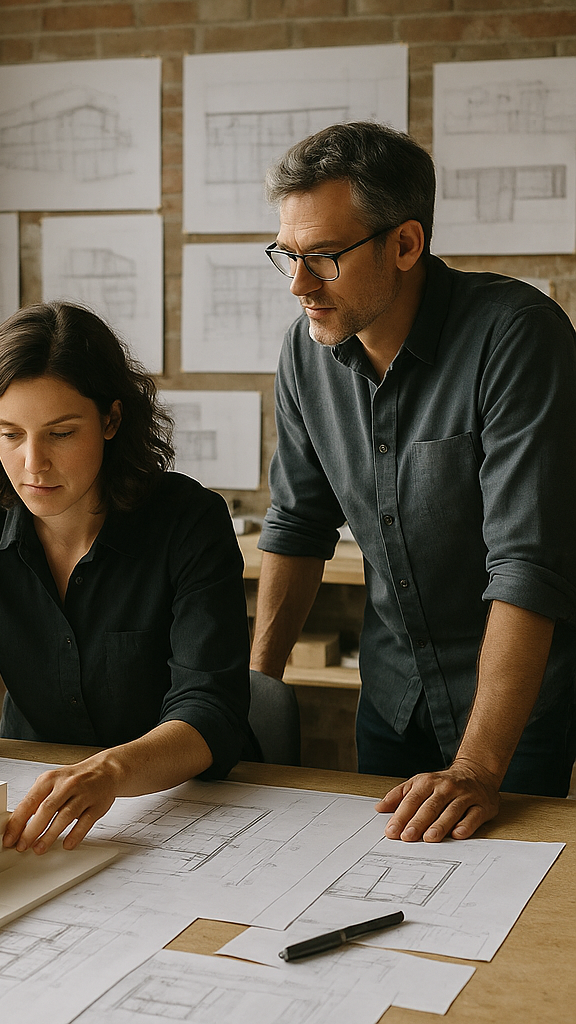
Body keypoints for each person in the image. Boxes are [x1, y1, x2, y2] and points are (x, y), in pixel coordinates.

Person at [252, 121, 576, 843]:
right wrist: (252, 694)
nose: (300, 286)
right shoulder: (306, 354)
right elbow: (298, 526)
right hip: (392, 699)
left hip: (510, 721)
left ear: (405, 243)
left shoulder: (517, 336)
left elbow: (527, 567)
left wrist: (477, 768)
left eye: (325, 258)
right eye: (289, 256)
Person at [0, 302, 252, 853]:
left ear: (110, 420)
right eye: (10, 434)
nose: (33, 464)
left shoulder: (189, 522)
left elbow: (211, 709)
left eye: (60, 434)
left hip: (182, 807)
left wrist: (110, 772)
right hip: (30, 799)